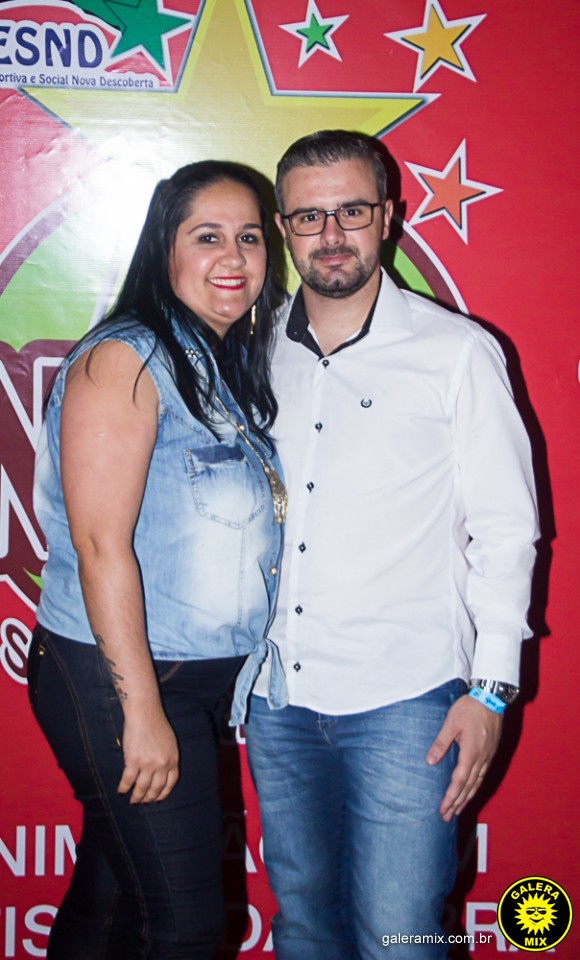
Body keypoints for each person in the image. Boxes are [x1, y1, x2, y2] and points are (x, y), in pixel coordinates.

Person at [244, 130, 538, 959]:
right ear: (283, 228)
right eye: (309, 217)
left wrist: (492, 691)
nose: (332, 233)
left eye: (352, 211)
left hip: (408, 702)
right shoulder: (251, 354)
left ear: (388, 216)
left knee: (402, 939)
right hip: (278, 697)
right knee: (305, 929)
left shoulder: (456, 353)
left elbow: (506, 527)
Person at [27, 160, 287, 960]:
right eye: (207, 237)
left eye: (249, 237)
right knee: (187, 928)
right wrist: (140, 712)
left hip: (193, 680)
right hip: (122, 680)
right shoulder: (128, 359)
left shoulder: (221, 366)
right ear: (162, 248)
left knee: (110, 902)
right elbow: (100, 545)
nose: (233, 257)